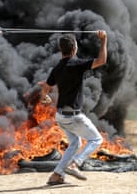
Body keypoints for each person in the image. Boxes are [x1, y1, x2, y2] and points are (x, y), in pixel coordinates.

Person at [39, 30, 107, 185]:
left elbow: (45, 87)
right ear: (74, 48)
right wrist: (104, 40)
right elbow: (102, 60)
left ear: (61, 49)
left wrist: (45, 97)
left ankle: (56, 175)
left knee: (75, 143)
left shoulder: (57, 68)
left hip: (61, 116)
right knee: (96, 139)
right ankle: (75, 163)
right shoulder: (76, 64)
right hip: (73, 116)